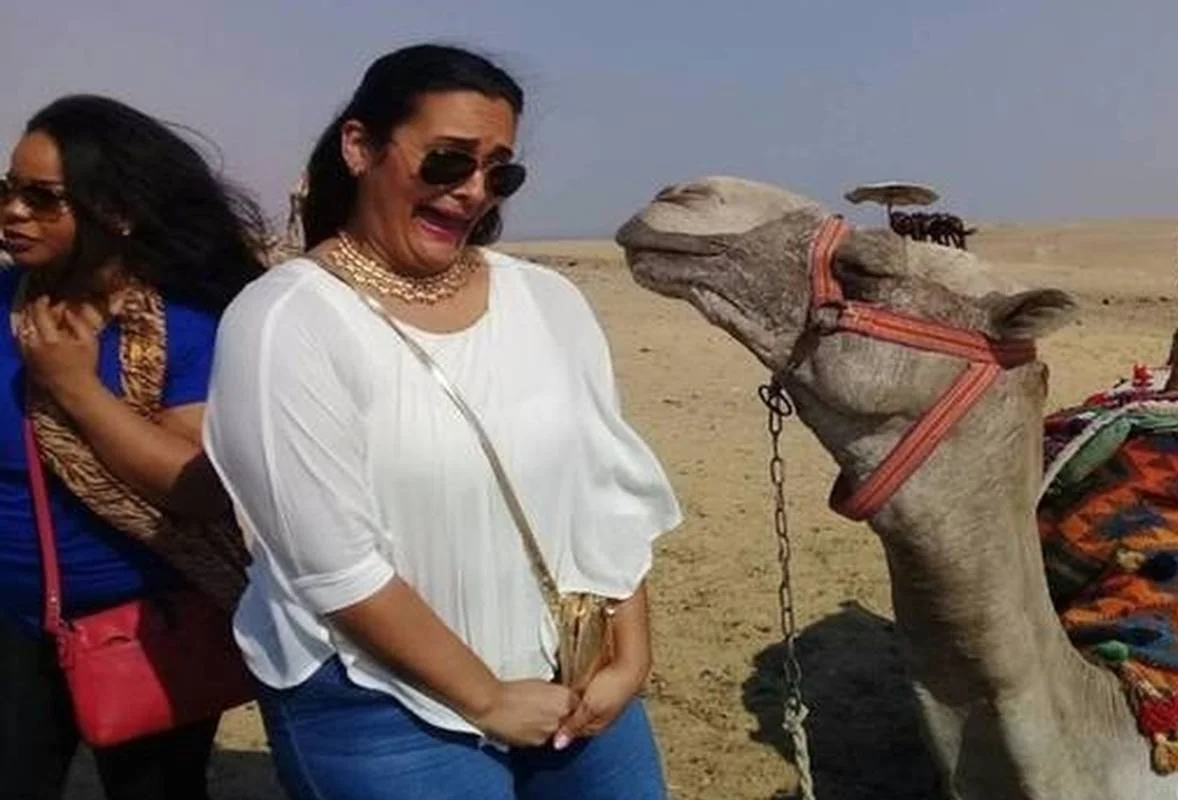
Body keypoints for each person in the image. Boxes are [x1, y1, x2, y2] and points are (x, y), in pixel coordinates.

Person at [204, 44, 683, 799]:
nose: (473, 191)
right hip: (378, 703)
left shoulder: (547, 301)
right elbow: (334, 565)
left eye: (500, 172)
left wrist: (629, 655)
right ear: (359, 146)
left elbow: (602, 486)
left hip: (571, 679)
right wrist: (486, 699)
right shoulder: (284, 322)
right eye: (448, 161)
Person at [0, 95, 265, 799]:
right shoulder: (3, 305)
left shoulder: (187, 325)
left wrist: (75, 387)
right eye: (8, 189)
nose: (14, 212)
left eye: (42, 197)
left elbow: (196, 486)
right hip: (11, 623)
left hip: (149, 625)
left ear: (116, 211)